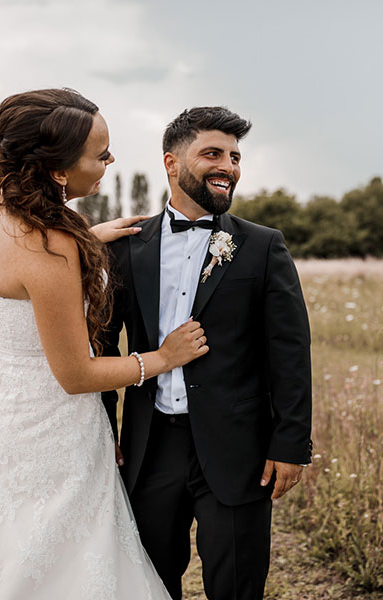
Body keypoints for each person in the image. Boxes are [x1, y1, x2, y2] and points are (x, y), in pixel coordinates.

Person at [0, 88, 205, 599]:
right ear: (58, 170)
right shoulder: (49, 247)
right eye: (100, 155)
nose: (111, 160)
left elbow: (18, 282)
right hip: (53, 434)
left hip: (1, 424)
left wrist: (87, 237)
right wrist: (162, 358)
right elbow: (77, 375)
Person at [101, 106, 313, 600]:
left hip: (238, 446)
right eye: (213, 153)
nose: (229, 167)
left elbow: (289, 349)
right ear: (172, 164)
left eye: (236, 157)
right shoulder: (126, 247)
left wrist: (290, 444)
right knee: (150, 581)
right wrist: (102, 429)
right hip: (150, 445)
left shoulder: (263, 247)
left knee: (237, 583)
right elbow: (104, 345)